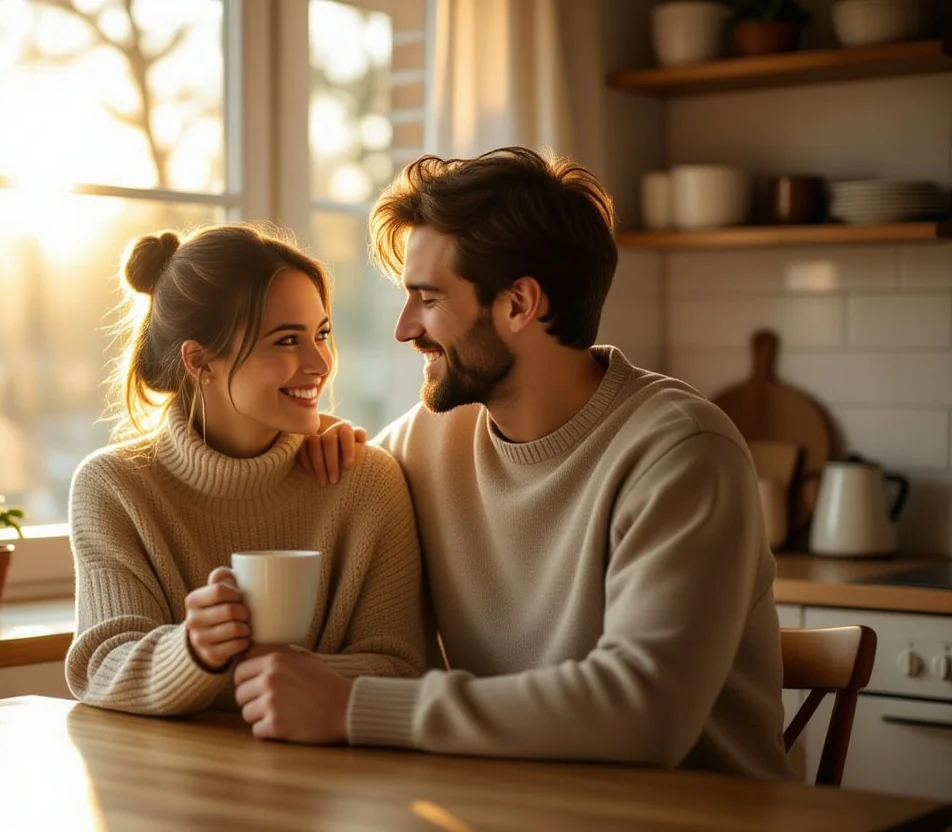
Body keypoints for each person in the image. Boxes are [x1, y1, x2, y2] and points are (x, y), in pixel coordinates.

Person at [232, 148, 794, 779]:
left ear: (520, 304)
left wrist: (355, 707)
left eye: (428, 299)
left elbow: (645, 713)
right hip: (517, 806)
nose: (404, 329)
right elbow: (320, 521)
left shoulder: (682, 452)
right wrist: (318, 452)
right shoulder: (425, 442)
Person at [66, 224, 426, 718]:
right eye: (286, 340)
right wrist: (192, 651)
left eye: (321, 334)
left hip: (329, 765)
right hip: (169, 766)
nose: (320, 362)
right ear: (199, 361)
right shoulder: (113, 487)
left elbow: (401, 668)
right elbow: (100, 667)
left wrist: (279, 680)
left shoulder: (366, 481)